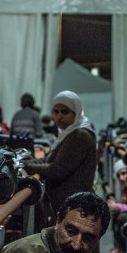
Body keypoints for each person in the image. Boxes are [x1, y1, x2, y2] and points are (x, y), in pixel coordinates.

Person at [22, 90, 98, 222]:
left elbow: (56, 170)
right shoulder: (70, 133)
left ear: (76, 111)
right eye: (55, 112)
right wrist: (28, 162)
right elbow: (50, 159)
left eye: (64, 112)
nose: (59, 116)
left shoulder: (79, 135)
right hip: (69, 203)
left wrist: (28, 166)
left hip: (74, 206)